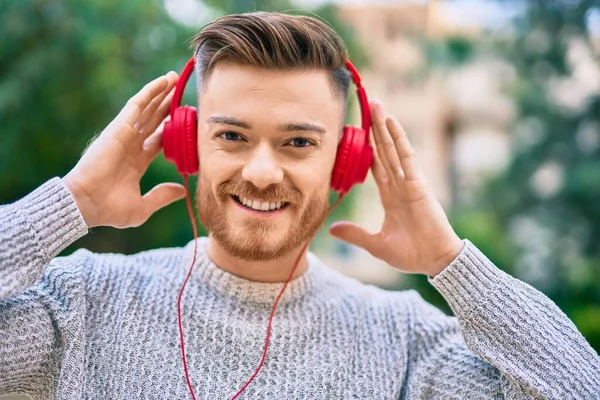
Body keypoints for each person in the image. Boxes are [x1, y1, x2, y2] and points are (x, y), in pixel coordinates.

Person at [0, 11, 598, 400]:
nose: (262, 171)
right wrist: (69, 203)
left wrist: (449, 260)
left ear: (343, 162)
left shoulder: (406, 343)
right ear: (188, 144)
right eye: (231, 136)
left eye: (298, 142)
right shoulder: (82, 305)